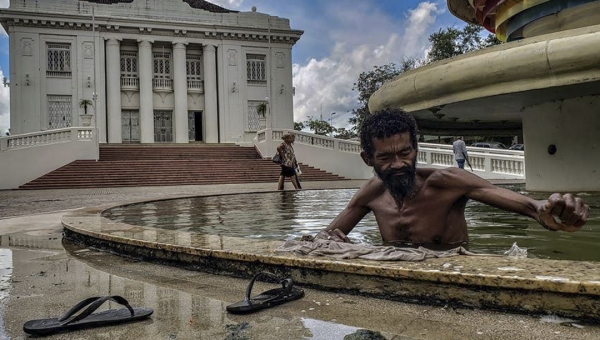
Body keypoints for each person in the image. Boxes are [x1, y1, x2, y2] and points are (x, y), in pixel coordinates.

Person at [324, 108, 589, 246]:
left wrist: (549, 209)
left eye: (405, 152)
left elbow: (532, 207)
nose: (398, 164)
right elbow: (323, 238)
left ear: (415, 150)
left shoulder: (447, 182)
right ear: (368, 159)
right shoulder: (371, 194)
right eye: (385, 158)